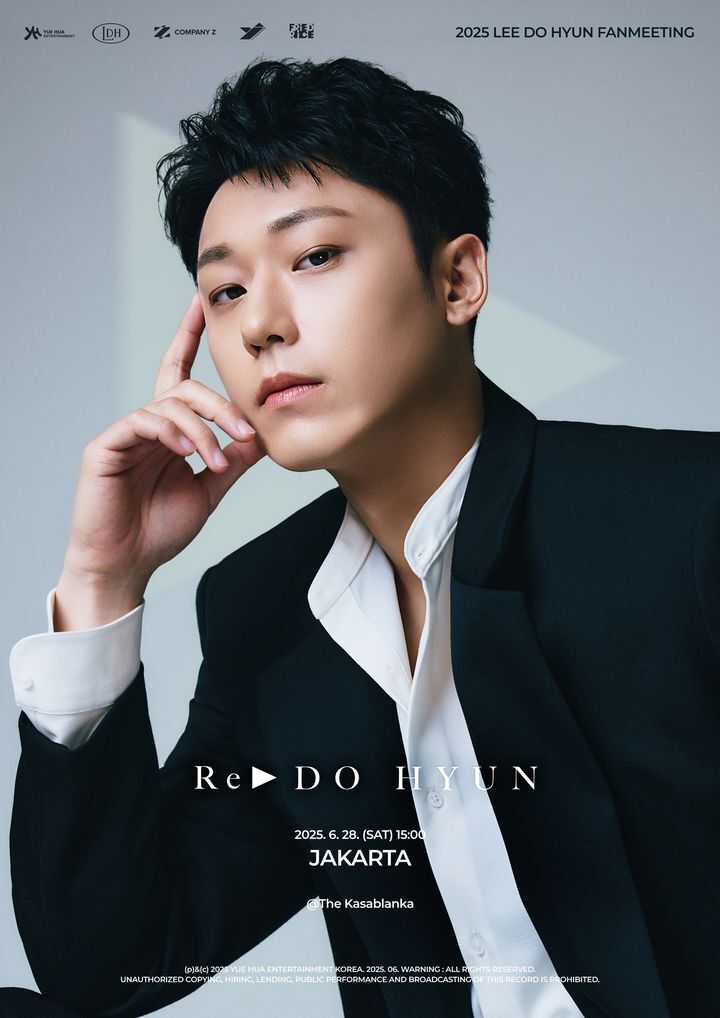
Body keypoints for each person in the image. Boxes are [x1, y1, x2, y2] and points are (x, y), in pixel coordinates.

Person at [5, 56, 719, 1018]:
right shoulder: (263, 611)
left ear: (457, 278)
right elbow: (114, 967)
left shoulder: (684, 521)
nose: (261, 326)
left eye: (314, 257)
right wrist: (102, 582)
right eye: (225, 291)